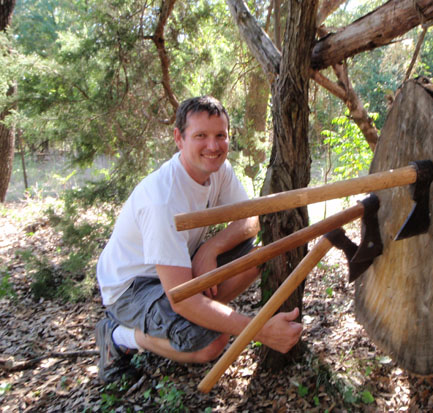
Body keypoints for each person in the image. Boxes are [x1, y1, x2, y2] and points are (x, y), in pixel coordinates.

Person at [95, 96, 303, 383]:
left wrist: (211, 248)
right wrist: (260, 330)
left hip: (176, 268)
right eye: (200, 136)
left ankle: (199, 316)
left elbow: (250, 219)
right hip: (132, 287)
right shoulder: (162, 201)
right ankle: (119, 336)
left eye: (221, 136)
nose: (213, 146)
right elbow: (182, 299)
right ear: (179, 138)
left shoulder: (218, 170)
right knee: (212, 343)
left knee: (257, 257)